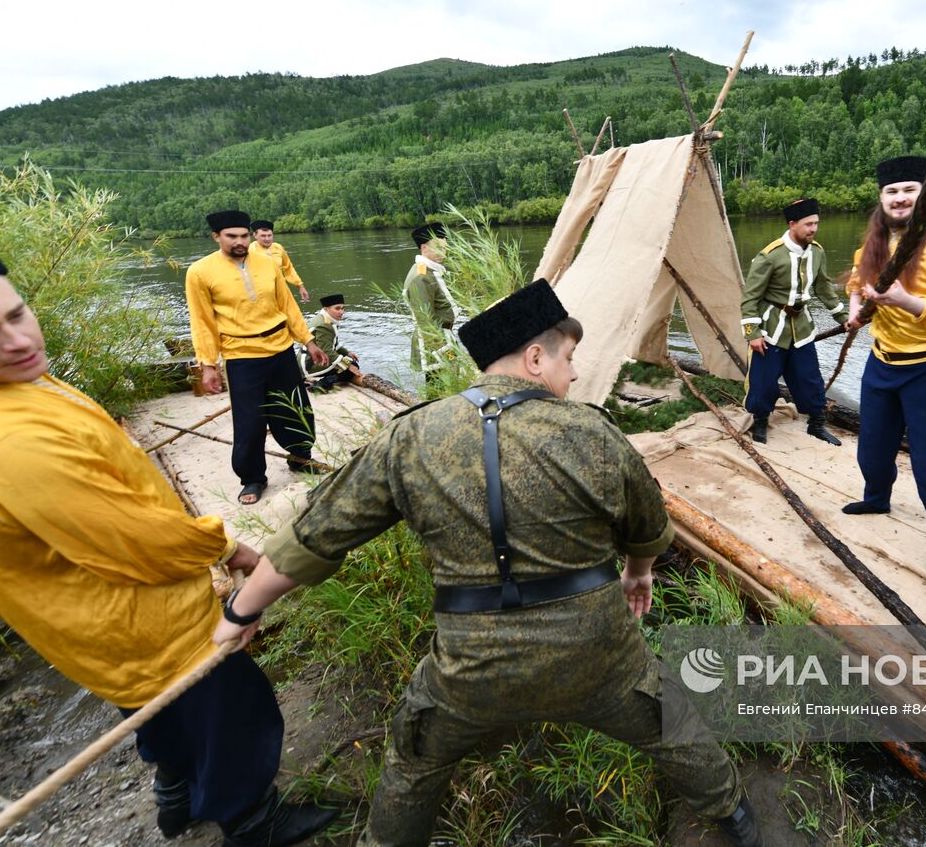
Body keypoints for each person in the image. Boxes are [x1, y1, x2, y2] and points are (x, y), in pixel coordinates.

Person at [213, 279, 764, 847]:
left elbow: (315, 537)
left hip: (469, 668)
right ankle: (735, 817)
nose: (573, 375)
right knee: (670, 720)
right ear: (533, 357)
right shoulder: (593, 432)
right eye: (568, 359)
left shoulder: (411, 436)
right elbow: (648, 531)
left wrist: (240, 609)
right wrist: (638, 572)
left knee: (415, 758)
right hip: (597, 654)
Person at [0, 220, 335, 846]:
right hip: (140, 615)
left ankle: (177, 796)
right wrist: (228, 547)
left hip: (91, 625)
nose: (17, 339)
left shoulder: (5, 386)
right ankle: (252, 820)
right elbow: (134, 542)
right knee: (230, 706)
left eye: (17, 314)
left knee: (160, 710)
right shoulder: (4, 443)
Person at [842, 156, 926, 584]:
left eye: (909, 190)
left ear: (924, 194)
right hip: (881, 362)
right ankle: (876, 499)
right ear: (881, 199)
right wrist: (856, 311)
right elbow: (855, 286)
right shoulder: (872, 246)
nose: (900, 198)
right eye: (892, 191)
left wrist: (902, 300)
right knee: (873, 449)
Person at [186, 210, 328, 505]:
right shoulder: (200, 272)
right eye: (231, 236)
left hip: (280, 348)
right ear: (216, 237)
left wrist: (309, 340)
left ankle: (301, 457)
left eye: (243, 235)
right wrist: (208, 365)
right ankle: (253, 478)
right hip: (241, 355)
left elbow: (287, 304)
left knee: (294, 408)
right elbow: (202, 322)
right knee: (250, 420)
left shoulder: (267, 263)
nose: (239, 242)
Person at [739, 197, 846, 446]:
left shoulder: (817, 252)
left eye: (816, 223)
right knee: (763, 381)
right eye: (808, 224)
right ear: (792, 224)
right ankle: (761, 421)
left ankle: (816, 424)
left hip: (802, 327)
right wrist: (752, 332)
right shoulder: (769, 256)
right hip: (770, 329)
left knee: (809, 378)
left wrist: (842, 315)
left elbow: (823, 287)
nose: (814, 229)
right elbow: (749, 298)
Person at [403, 222, 459, 376]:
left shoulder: (429, 271)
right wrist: (447, 353)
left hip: (442, 336)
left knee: (445, 385)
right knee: (440, 387)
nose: (443, 253)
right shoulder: (421, 277)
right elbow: (425, 322)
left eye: (444, 248)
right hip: (434, 342)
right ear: (424, 248)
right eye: (438, 248)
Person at [304, 293, 362, 392]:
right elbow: (327, 351)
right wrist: (349, 366)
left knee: (347, 362)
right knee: (352, 367)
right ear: (326, 309)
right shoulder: (325, 325)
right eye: (337, 308)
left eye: (343, 308)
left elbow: (333, 343)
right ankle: (322, 384)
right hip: (311, 364)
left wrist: (347, 353)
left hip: (308, 359)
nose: (341, 312)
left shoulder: (323, 318)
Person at [253, 219, 311, 302]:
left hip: (281, 289)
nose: (267, 239)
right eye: (263, 236)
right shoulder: (250, 250)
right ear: (255, 235)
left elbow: (288, 268)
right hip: (262, 293)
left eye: (269, 235)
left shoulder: (278, 248)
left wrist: (300, 286)